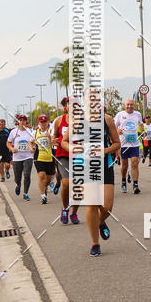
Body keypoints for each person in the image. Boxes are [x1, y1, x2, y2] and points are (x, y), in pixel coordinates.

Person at [60, 98, 120, 256]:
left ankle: (99, 222)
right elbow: (63, 142)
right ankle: (95, 244)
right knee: (92, 204)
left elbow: (117, 144)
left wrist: (103, 151)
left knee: (107, 207)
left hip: (105, 165)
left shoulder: (107, 119)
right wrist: (74, 147)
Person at [52, 97, 81, 224]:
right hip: (63, 155)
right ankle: (65, 209)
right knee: (66, 182)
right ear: (66, 106)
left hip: (80, 156)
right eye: (70, 103)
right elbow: (54, 136)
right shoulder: (59, 120)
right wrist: (53, 140)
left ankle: (74, 212)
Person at [114, 99, 143, 194]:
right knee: (125, 165)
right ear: (124, 105)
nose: (129, 106)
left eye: (131, 105)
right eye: (128, 105)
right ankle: (123, 181)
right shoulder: (119, 115)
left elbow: (141, 124)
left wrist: (143, 132)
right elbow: (113, 126)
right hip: (123, 144)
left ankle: (135, 185)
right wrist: (117, 130)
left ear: (134, 105)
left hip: (134, 143)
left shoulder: (137, 114)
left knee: (134, 163)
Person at [7, 114, 35, 200]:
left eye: (24, 120)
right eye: (21, 120)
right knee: (17, 177)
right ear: (18, 122)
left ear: (26, 121)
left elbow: (33, 143)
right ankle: (18, 184)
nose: (22, 122)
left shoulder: (30, 132)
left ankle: (25, 193)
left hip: (28, 157)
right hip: (17, 157)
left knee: (27, 175)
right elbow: (8, 143)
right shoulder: (14, 132)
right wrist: (12, 148)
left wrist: (32, 148)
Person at [34, 114, 55, 203]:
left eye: (45, 122)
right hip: (39, 157)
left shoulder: (51, 131)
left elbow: (53, 143)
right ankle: (43, 196)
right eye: (41, 122)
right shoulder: (35, 132)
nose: (43, 124)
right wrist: (31, 147)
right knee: (41, 175)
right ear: (39, 123)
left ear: (48, 122)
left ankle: (45, 186)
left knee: (48, 179)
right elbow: (30, 142)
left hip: (50, 158)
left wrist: (49, 137)